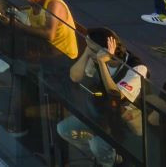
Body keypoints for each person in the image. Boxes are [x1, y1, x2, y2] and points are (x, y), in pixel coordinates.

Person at [57, 28, 148, 167]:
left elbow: (116, 95)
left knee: (97, 144)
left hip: (125, 122)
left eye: (92, 49)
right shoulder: (94, 56)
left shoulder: (137, 68)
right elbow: (74, 77)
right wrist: (88, 52)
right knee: (63, 129)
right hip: (101, 114)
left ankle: (108, 161)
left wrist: (102, 63)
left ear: (107, 50)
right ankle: (104, 156)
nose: (89, 51)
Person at [14, 0, 79, 60]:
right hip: (45, 50)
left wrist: (20, 26)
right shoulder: (34, 1)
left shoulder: (53, 5)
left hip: (63, 57)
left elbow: (49, 34)